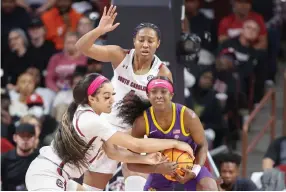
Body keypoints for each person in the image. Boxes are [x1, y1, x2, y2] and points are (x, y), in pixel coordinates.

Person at [25, 73, 193, 191]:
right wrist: (177, 142)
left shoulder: (90, 116)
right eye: (106, 96)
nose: (113, 100)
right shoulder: (92, 121)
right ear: (91, 98)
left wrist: (145, 158)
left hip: (63, 177)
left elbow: (113, 153)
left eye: (113, 94)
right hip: (47, 175)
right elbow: (136, 143)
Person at [75, 5, 173, 190]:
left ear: (158, 43)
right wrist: (99, 30)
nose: (145, 44)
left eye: (150, 41)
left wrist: (129, 137)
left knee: (136, 183)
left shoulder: (162, 73)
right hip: (107, 128)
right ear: (134, 41)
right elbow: (82, 47)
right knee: (91, 188)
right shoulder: (119, 55)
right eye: (141, 39)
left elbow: (161, 115)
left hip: (136, 134)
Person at [117, 76, 218, 191]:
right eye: (154, 92)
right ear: (148, 95)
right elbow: (131, 163)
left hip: (190, 164)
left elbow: (202, 145)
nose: (159, 95)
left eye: (163, 91)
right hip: (160, 167)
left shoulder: (188, 116)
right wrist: (158, 169)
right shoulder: (142, 121)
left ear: (171, 95)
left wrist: (194, 171)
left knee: (208, 187)